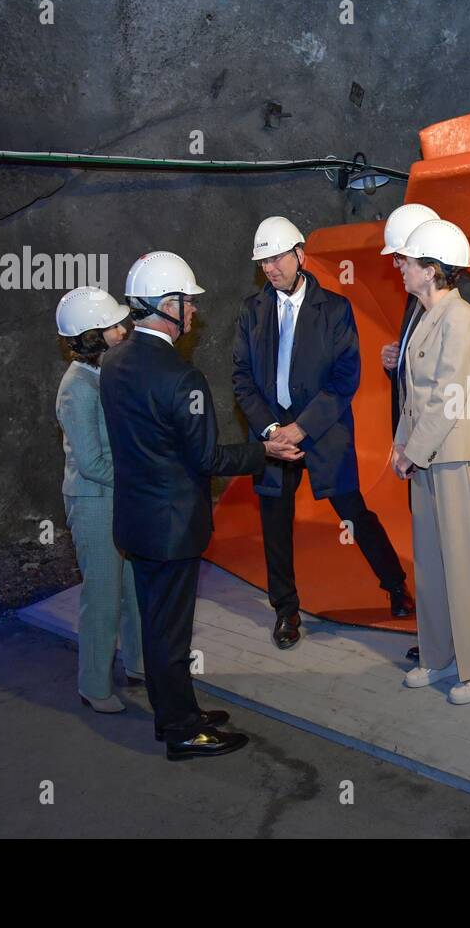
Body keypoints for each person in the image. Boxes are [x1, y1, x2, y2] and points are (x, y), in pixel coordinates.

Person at [100, 251, 296, 761]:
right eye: (187, 303)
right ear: (167, 305)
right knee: (170, 631)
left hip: (136, 520)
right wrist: (265, 450)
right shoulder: (181, 378)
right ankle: (182, 731)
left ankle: (176, 710)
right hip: (171, 526)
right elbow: (207, 456)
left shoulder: (114, 362)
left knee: (156, 623)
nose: (193, 313)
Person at [232, 216, 413, 652]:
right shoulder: (251, 311)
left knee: (353, 513)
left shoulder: (334, 308)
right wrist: (273, 430)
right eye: (262, 262)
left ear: (299, 255)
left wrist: (301, 427)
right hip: (274, 438)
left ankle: (395, 584)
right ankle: (286, 610)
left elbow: (345, 378)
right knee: (274, 524)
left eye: (276, 258)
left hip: (323, 433)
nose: (269, 269)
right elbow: (241, 378)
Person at [390, 219, 470, 705]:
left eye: (408, 261)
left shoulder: (461, 318)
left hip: (451, 454)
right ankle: (440, 655)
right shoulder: (426, 314)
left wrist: (413, 451)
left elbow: (448, 395)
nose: (400, 267)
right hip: (425, 454)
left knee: (463, 559)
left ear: (433, 269)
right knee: (433, 558)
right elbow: (412, 393)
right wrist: (404, 447)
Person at [54, 287, 144, 714]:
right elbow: (91, 462)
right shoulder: (78, 387)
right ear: (91, 336)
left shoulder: (102, 375)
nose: (122, 329)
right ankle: (94, 685)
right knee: (104, 595)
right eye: (111, 326)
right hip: (94, 501)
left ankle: (140, 664)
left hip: (116, 496)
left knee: (134, 586)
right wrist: (139, 482)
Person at [379, 204, 470, 453]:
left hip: (457, 428)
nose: (397, 265)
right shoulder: (421, 291)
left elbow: (466, 369)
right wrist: (400, 359)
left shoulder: (465, 293)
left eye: (401, 257)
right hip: (430, 424)